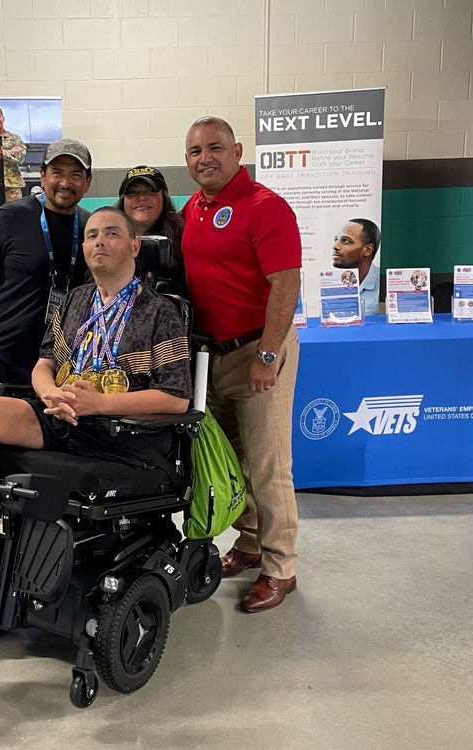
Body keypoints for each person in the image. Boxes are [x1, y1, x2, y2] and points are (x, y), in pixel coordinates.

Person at [0, 207, 192, 614]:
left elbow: (176, 399)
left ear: (135, 245)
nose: (99, 241)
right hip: (66, 420)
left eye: (112, 234)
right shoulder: (74, 301)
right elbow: (44, 364)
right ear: (83, 248)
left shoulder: (160, 312)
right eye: (92, 235)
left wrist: (99, 403)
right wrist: (50, 394)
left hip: (125, 440)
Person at [180, 116, 302, 613]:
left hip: (259, 351)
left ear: (237, 151)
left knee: (269, 465)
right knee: (233, 460)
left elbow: (286, 285)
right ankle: (250, 543)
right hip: (212, 356)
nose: (204, 158)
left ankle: (281, 568)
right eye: (194, 151)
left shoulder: (265, 207)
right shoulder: (194, 207)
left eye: (214, 148)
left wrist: (268, 355)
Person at [0, 137, 93, 533]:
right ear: (44, 176)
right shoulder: (12, 217)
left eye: (75, 174)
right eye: (58, 173)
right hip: (5, 352)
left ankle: (30, 530)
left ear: (87, 182)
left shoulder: (91, 228)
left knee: (41, 450)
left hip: (58, 363)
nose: (65, 182)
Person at [115, 165, 186, 295]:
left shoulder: (183, 240)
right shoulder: (108, 242)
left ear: (164, 198)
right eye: (133, 192)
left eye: (150, 191)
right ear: (123, 201)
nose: (142, 197)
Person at [332, 218, 381, 316]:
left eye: (345, 241)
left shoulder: (385, 285)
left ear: (367, 250)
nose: (335, 246)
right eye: (336, 240)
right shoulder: (331, 285)